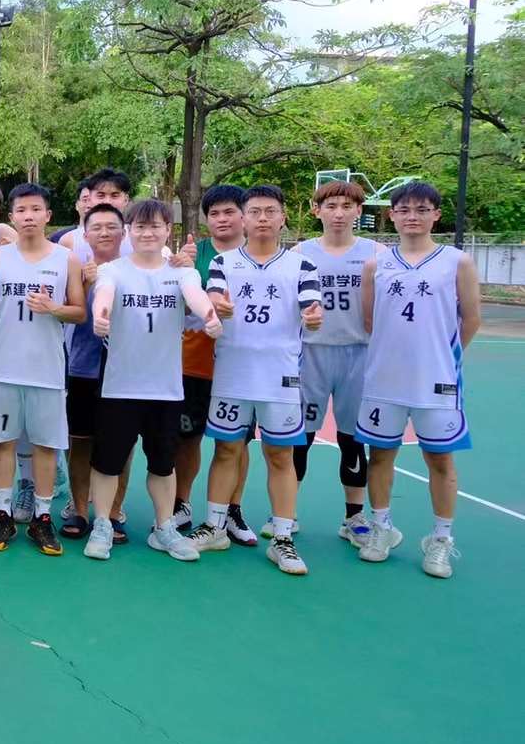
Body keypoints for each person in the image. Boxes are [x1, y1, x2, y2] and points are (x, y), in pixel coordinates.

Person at [188, 185, 322, 576]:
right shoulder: (224, 263)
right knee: (226, 450)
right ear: (244, 219)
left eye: (270, 211)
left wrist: (315, 317)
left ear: (283, 218)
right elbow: (213, 298)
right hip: (232, 373)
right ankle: (215, 526)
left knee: (280, 455)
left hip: (280, 377)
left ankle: (283, 537)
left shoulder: (302, 266)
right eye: (255, 211)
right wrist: (217, 306)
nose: (263, 218)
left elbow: (312, 309)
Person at [354, 182, 481, 578]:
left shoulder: (457, 262)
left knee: (440, 459)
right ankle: (381, 528)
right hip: (384, 380)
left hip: (436, 381)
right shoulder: (376, 265)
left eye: (422, 209)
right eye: (404, 209)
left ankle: (440, 539)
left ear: (436, 215)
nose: (413, 216)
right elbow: (370, 320)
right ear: (391, 215)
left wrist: (441, 356)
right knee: (380, 455)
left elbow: (471, 319)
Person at [86, 199, 221, 560]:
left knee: (163, 464)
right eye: (141, 227)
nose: (148, 233)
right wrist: (101, 314)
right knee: (107, 462)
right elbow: (104, 295)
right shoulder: (112, 270)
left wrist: (209, 315)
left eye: (155, 226)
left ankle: (164, 528)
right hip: (120, 387)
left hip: (165, 389)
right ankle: (102, 524)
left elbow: (196, 297)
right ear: (129, 231)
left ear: (167, 230)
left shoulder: (182, 272)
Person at [0, 183, 86, 556]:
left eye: (35, 209)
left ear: (47, 215)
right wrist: (7, 342)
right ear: (11, 216)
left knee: (45, 445)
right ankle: (3, 513)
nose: (28, 216)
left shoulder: (66, 259)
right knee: (2, 442)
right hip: (4, 368)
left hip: (47, 370)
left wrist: (53, 308)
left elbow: (79, 311)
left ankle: (42, 517)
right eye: (21, 210)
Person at [170, 184, 256, 545]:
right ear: (206, 219)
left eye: (229, 212)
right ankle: (181, 503)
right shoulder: (193, 255)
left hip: (243, 365)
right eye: (214, 213)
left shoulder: (259, 256)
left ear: (244, 216)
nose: (222, 219)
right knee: (186, 439)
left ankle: (232, 510)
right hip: (194, 363)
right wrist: (181, 268)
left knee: (236, 442)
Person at [294, 180, 376, 543]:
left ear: (359, 210)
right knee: (301, 436)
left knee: (352, 438)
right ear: (317, 211)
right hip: (311, 352)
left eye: (346, 206)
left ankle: (354, 517)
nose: (339, 213)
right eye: (331, 206)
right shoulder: (300, 254)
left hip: (358, 353)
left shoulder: (376, 254)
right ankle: (286, 513)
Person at [60, 202, 123, 540]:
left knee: (119, 444)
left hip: (125, 371)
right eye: (96, 227)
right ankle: (80, 509)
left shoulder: (134, 269)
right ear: (85, 235)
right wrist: (86, 284)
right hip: (82, 367)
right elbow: (70, 313)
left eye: (111, 226)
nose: (104, 233)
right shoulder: (76, 270)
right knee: (80, 441)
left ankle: (112, 512)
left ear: (124, 232)